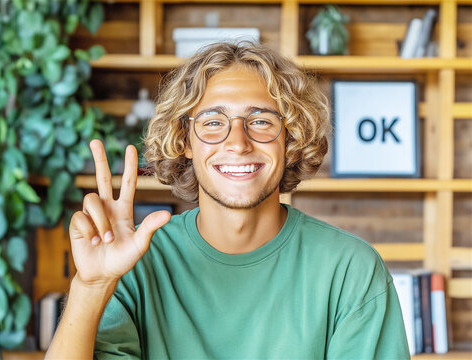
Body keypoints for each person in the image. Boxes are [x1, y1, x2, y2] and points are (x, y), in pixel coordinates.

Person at [46, 42, 410, 359]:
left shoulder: (349, 271)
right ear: (185, 140)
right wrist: (91, 286)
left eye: (262, 121)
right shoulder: (132, 263)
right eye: (212, 122)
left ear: (292, 140)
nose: (238, 142)